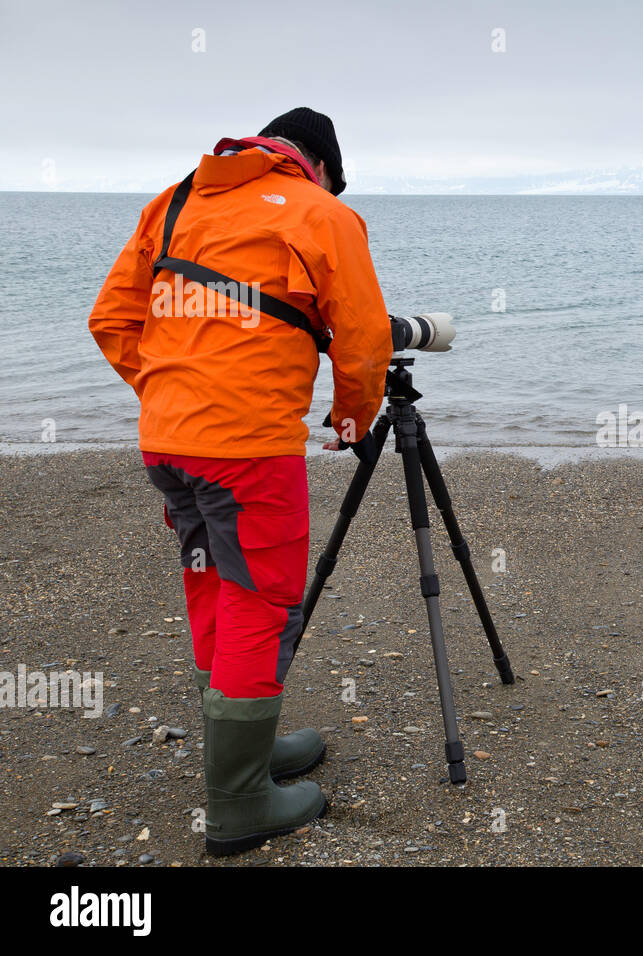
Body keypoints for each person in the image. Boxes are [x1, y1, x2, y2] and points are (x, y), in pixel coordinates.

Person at [88, 107, 393, 856]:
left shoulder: (176, 201)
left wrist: (172, 397)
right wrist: (350, 423)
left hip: (168, 443)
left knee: (212, 584)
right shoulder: (324, 214)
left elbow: (111, 321)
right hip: (249, 451)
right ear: (318, 165)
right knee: (260, 600)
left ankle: (244, 752)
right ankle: (238, 801)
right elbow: (363, 338)